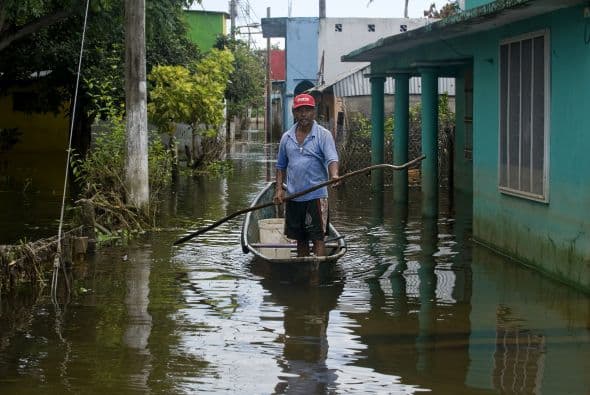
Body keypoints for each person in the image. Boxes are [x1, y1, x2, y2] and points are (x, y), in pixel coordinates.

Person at [273, 93, 339, 257]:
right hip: (294, 197)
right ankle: (303, 273)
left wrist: (334, 175)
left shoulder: (323, 135)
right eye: (300, 110)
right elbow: (281, 166)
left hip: (316, 197)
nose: (303, 114)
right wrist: (279, 190)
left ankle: (316, 278)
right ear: (294, 113)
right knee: (300, 239)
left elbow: (332, 159)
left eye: (307, 110)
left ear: (314, 112)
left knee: (317, 239)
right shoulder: (286, 138)